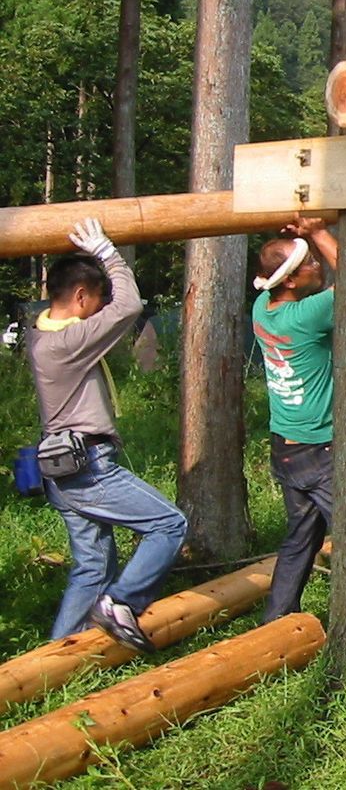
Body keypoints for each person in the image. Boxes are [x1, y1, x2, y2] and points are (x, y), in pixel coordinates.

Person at [30, 219, 187, 649]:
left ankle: (56, 662)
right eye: (96, 302)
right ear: (80, 297)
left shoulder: (42, 334)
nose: (100, 311)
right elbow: (129, 306)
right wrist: (107, 252)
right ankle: (119, 602)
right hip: (88, 469)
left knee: (92, 565)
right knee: (169, 524)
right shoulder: (65, 343)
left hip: (65, 467)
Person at [251, 215, 338, 622]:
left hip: (286, 446)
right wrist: (319, 233)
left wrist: (299, 244)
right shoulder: (307, 316)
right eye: (308, 263)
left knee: (301, 537)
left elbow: (280, 270)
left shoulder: (262, 309)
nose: (318, 264)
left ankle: (277, 618)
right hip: (319, 449)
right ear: (289, 280)